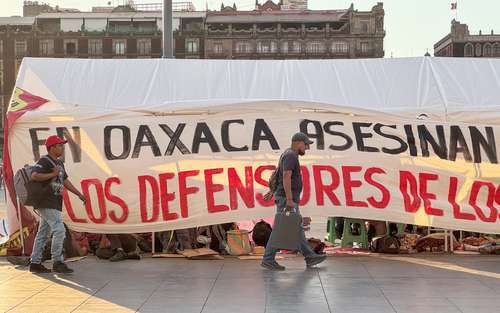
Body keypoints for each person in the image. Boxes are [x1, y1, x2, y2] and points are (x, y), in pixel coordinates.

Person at [261, 132, 327, 271]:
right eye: (306, 144)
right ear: (298, 143)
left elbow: (278, 174)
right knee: (281, 229)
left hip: (286, 197)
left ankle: (310, 257)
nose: (307, 148)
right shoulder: (291, 155)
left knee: (297, 228)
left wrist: (273, 190)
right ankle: (268, 259)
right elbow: (285, 176)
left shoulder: (289, 154)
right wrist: (289, 199)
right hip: (287, 199)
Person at [29, 135, 86, 274]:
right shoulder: (45, 161)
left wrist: (78, 193)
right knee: (59, 229)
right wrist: (52, 174)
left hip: (54, 202)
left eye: (62, 145)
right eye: (59, 145)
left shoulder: (59, 163)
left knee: (43, 233)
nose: (62, 148)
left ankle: (35, 263)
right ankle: (57, 262)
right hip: (45, 201)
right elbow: (34, 175)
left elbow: (65, 181)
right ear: (51, 147)